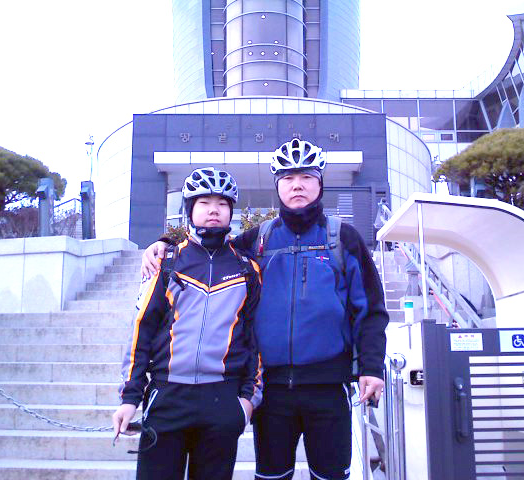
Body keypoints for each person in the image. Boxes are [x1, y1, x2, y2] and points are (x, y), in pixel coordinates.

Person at [141, 139, 389, 480]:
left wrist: (371, 366)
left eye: (306, 177)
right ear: (277, 185)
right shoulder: (258, 240)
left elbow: (371, 309)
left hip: (329, 387)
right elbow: (209, 248)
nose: (297, 185)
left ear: (320, 183)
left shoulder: (343, 238)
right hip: (271, 392)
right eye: (288, 178)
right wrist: (164, 244)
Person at [113, 167, 263, 480]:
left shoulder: (247, 269)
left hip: (222, 400)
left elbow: (255, 340)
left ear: (231, 212)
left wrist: (247, 401)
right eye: (204, 202)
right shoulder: (166, 262)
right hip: (167, 397)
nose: (213, 210)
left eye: (222, 203)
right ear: (189, 209)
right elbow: (141, 330)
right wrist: (130, 398)